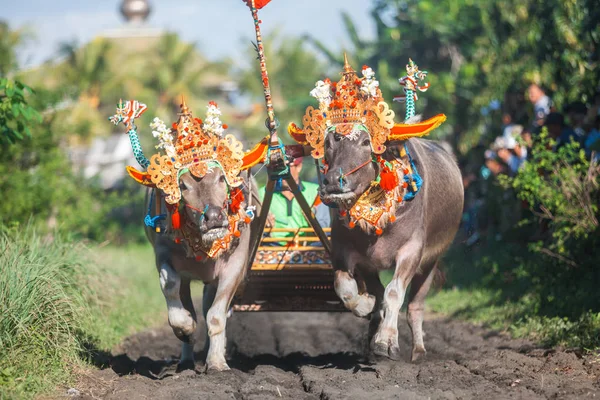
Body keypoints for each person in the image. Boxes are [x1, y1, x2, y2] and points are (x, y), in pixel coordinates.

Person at [258, 157, 330, 241]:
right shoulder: (262, 194)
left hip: (309, 246)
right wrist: (263, 224)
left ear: (299, 167)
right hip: (273, 247)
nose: (281, 172)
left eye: (286, 167)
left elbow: (324, 228)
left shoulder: (315, 192)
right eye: (277, 168)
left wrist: (313, 220)